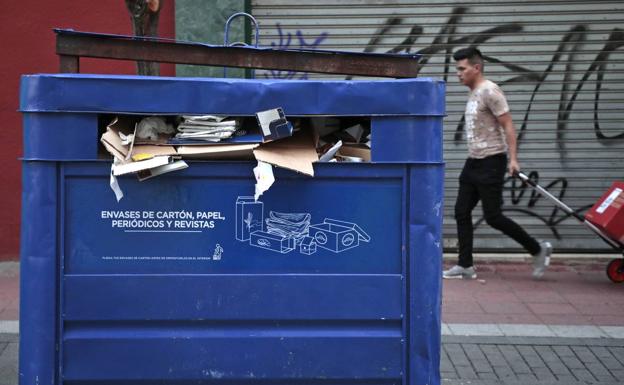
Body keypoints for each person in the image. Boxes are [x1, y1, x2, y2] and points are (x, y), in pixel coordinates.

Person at [443, 47, 551, 280]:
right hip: (473, 161)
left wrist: (513, 159)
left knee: (493, 216)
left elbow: (508, 125)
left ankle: (537, 249)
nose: (458, 74)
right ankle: (465, 265)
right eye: (457, 69)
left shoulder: (490, 91)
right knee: (461, 211)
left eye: (462, 69)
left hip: (492, 161)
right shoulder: (474, 93)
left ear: (476, 68)